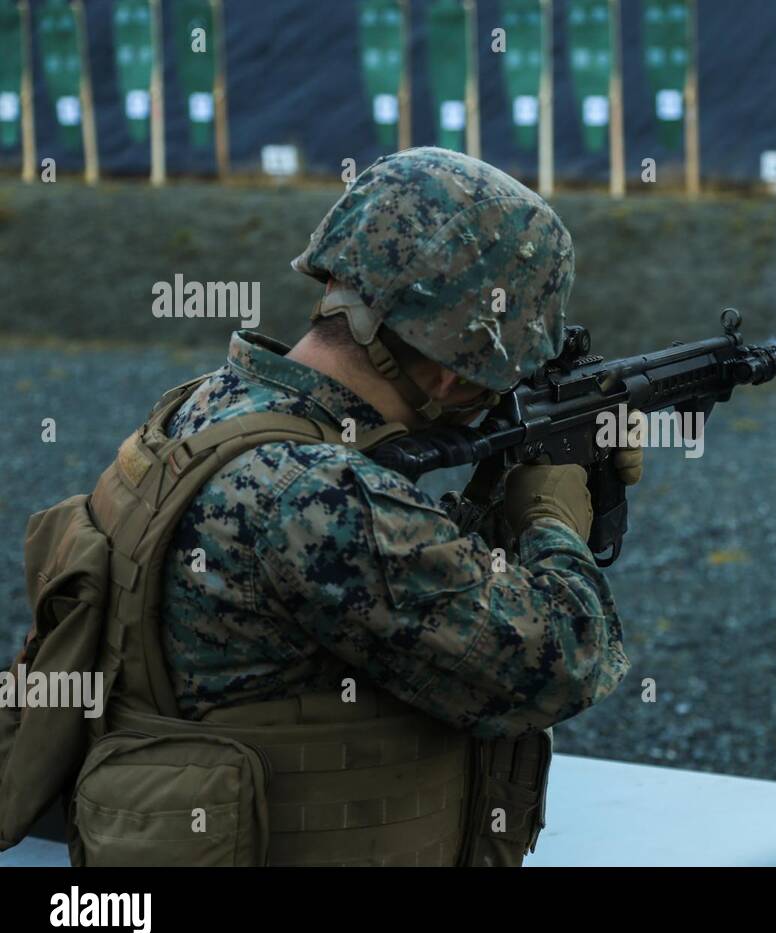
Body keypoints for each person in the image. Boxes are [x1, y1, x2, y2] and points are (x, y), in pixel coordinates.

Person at [70, 147, 640, 866]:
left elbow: (388, 593)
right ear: (449, 367)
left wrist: (494, 489)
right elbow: (562, 663)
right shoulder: (324, 496)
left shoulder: (201, 410)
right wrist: (553, 518)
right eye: (497, 376)